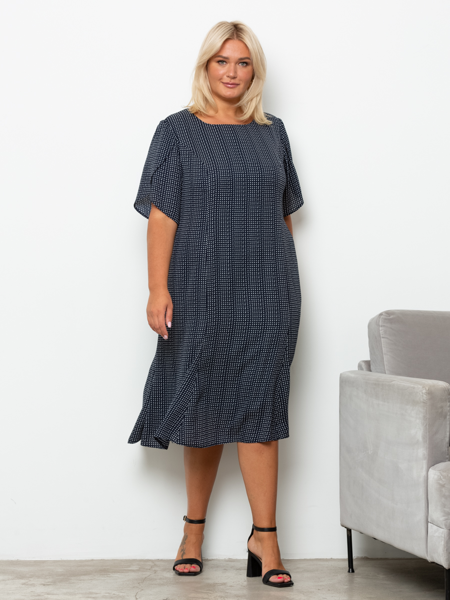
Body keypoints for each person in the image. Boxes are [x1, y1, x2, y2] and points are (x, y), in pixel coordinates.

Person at [128, 20, 304, 589]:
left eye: (243, 62)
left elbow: (283, 215)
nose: (232, 72)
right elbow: (162, 215)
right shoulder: (176, 131)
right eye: (222, 61)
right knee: (202, 408)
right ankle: (193, 533)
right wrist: (158, 288)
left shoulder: (273, 133)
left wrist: (282, 284)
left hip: (267, 290)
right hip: (198, 289)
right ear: (206, 67)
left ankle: (266, 540)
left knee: (261, 411)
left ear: (255, 72)